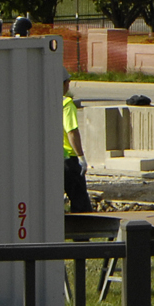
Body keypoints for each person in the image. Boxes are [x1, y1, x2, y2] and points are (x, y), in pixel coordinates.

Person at [62, 74, 94, 214]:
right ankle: (82, 234)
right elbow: (72, 132)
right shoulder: (66, 104)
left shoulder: (44, 101)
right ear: (64, 84)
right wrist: (81, 157)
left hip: (53, 159)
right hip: (69, 159)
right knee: (80, 203)